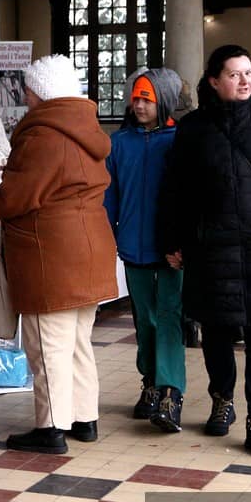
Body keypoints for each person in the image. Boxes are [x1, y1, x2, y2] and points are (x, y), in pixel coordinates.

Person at [159, 44, 251, 457]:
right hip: (213, 247)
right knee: (216, 331)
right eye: (234, 74)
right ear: (214, 81)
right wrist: (175, 239)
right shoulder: (194, 128)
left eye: (249, 73)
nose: (245, 81)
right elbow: (177, 190)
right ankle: (222, 399)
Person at [0, 54, 117, 454]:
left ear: (41, 93)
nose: (26, 97)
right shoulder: (85, 129)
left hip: (50, 254)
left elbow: (15, 196)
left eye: (30, 90)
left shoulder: (44, 135)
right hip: (90, 249)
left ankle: (50, 428)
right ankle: (84, 419)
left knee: (48, 344)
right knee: (77, 342)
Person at [104, 68, 186, 432]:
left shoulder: (179, 140)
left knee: (169, 316)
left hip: (171, 250)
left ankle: (170, 391)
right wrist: (109, 236)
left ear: (164, 101)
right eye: (136, 98)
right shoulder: (120, 143)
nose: (138, 105)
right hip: (132, 247)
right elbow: (110, 196)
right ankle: (150, 380)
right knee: (144, 319)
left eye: (147, 99)